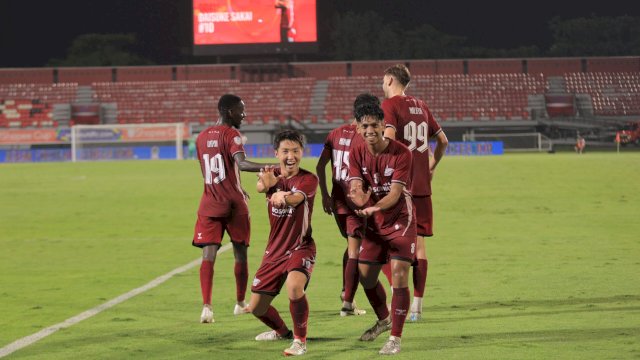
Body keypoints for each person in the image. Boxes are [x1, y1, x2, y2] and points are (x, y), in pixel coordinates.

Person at [192, 94, 275, 324]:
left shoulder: (200, 137)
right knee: (240, 252)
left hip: (210, 203)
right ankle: (239, 304)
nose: (244, 115)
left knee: (208, 254)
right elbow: (242, 164)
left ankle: (207, 308)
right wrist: (275, 167)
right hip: (234, 205)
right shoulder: (232, 135)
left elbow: (211, 172)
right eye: (241, 110)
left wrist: (232, 185)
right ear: (229, 112)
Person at [381, 64, 449, 321]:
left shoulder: (389, 106)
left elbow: (387, 139)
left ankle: (397, 297)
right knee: (419, 246)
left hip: (398, 187)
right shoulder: (421, 105)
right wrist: (431, 166)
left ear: (389, 80)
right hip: (421, 186)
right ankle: (417, 307)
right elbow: (443, 141)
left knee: (387, 243)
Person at [348, 103, 416, 355]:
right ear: (357, 128)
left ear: (383, 126)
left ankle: (395, 338)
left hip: (400, 219)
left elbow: (396, 193)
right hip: (374, 222)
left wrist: (374, 207)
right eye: (364, 126)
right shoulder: (356, 152)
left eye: (374, 125)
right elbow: (355, 187)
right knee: (365, 276)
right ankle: (384, 319)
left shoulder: (401, 153)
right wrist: (358, 198)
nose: (369, 130)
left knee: (399, 274)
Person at [249, 130, 318, 357]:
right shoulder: (273, 173)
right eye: (285, 151)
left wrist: (279, 194)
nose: (291, 156)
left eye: (296, 151)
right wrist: (267, 185)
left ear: (302, 153)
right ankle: (282, 332)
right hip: (274, 250)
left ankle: (300, 341)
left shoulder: (309, 179)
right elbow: (260, 185)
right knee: (256, 307)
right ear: (276, 153)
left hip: (300, 246)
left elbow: (296, 199)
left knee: (294, 288)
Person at [316, 93, 380, 317]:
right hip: (355, 202)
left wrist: (324, 194)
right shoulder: (364, 137)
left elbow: (320, 165)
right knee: (356, 250)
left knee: (351, 246)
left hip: (337, 201)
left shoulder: (335, 133)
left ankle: (346, 290)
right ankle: (347, 303)